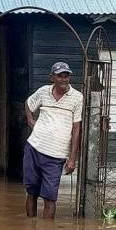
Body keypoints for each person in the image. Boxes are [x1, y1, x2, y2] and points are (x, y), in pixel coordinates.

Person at [23, 61, 83, 219]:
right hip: (34, 147)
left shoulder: (77, 98)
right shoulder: (43, 92)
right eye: (60, 76)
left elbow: (77, 129)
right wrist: (30, 122)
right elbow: (28, 104)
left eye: (66, 76)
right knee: (31, 192)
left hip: (56, 155)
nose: (64, 79)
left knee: (50, 197)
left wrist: (72, 159)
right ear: (52, 77)